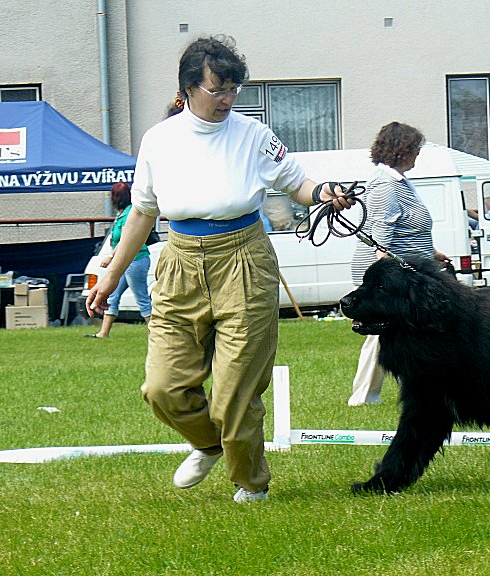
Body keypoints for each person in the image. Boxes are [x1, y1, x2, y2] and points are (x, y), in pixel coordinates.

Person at [86, 35, 353, 503]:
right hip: (179, 260)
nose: (228, 100)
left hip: (244, 260)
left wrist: (325, 192)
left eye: (234, 90)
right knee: (162, 388)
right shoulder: (159, 141)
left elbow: (297, 182)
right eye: (218, 90)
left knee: (235, 395)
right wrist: (110, 274)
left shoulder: (253, 136)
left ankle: (251, 486)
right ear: (189, 87)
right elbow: (144, 212)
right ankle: (209, 444)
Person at [348, 122, 449, 406]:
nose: (418, 154)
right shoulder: (386, 185)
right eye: (415, 149)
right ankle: (364, 397)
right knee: (380, 331)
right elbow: (381, 233)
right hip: (386, 277)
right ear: (402, 150)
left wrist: (432, 254)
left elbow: (407, 229)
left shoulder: (398, 182)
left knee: (393, 331)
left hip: (403, 271)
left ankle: (379, 393)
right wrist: (386, 280)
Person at [85, 182, 152, 338]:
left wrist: (110, 257)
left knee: (141, 298)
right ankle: (103, 333)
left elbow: (125, 240)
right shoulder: (121, 214)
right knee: (112, 296)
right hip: (125, 262)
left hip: (136, 260)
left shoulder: (130, 213)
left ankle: (155, 333)